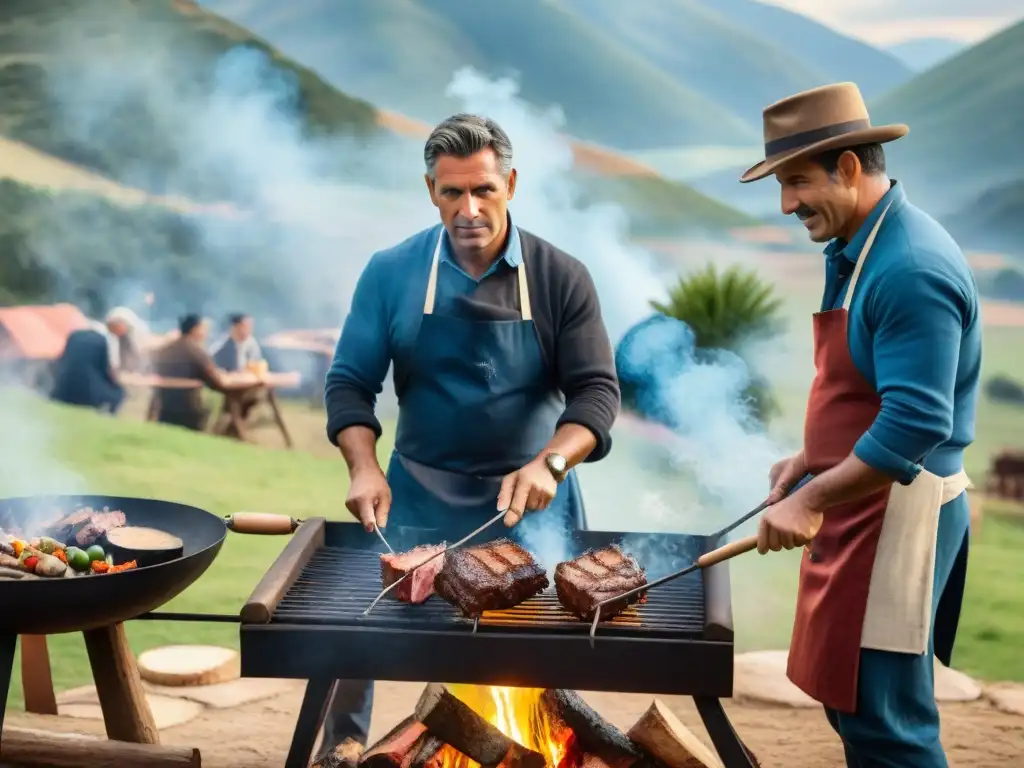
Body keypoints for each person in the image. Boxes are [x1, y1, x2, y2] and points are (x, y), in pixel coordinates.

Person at [317, 113, 621, 767]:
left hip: (529, 506)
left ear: (510, 183)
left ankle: (536, 748)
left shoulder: (560, 276)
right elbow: (348, 383)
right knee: (361, 629)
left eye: (483, 189)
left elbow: (597, 394)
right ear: (431, 191)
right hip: (417, 498)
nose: (469, 208)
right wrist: (364, 468)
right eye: (452, 192)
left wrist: (553, 460)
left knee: (533, 655)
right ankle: (342, 744)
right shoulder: (391, 272)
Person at [741, 83, 981, 766]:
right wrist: (810, 457)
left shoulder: (910, 268)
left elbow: (914, 424)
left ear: (848, 166)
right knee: (857, 708)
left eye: (796, 182)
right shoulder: (864, 247)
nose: (787, 204)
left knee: (887, 725)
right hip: (863, 503)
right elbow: (872, 391)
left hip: (897, 517)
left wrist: (812, 497)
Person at [151, 314, 230, 431]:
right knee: (217, 401)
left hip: (164, 406)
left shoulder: (165, 349)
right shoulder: (195, 351)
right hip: (189, 409)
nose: (206, 333)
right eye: (204, 329)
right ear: (195, 330)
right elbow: (215, 383)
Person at [50, 308, 137, 413]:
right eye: (125, 327)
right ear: (119, 325)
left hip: (61, 388)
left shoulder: (77, 333)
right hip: (85, 392)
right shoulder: (109, 339)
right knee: (119, 392)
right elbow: (111, 373)